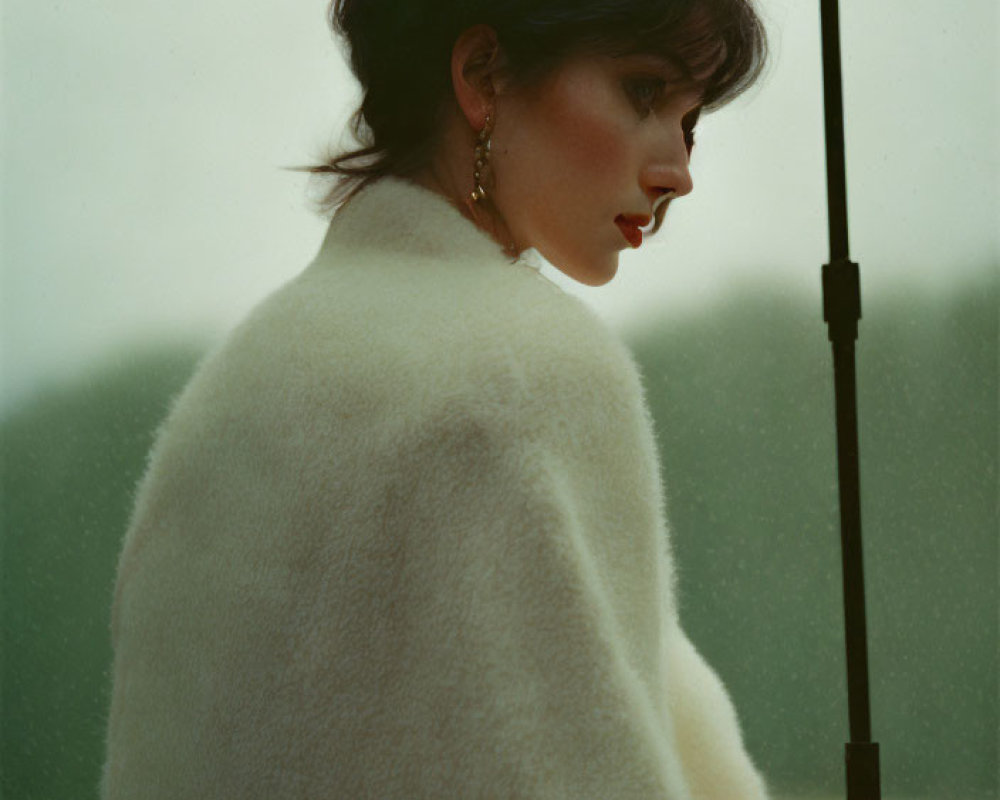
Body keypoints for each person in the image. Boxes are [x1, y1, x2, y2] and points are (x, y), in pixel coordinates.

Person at [101, 0, 769, 797]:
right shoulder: (525, 376)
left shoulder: (229, 392)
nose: (678, 172)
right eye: (643, 93)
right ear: (483, 75)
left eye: (690, 124)